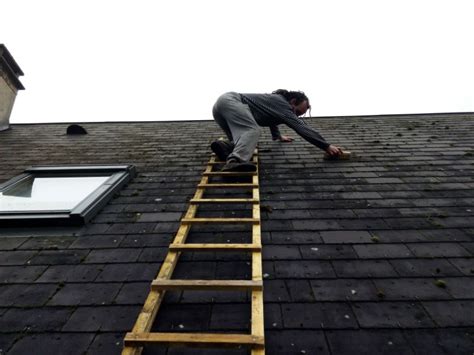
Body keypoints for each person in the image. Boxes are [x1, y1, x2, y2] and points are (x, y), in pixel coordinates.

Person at [211, 89, 343, 172]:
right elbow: (301, 127)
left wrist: (277, 136)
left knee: (242, 141)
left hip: (221, 106)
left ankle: (225, 147)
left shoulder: (275, 105)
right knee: (252, 131)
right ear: (293, 101)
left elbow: (271, 119)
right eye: (296, 111)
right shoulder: (282, 103)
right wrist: (326, 146)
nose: (295, 116)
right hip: (231, 101)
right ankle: (235, 162)